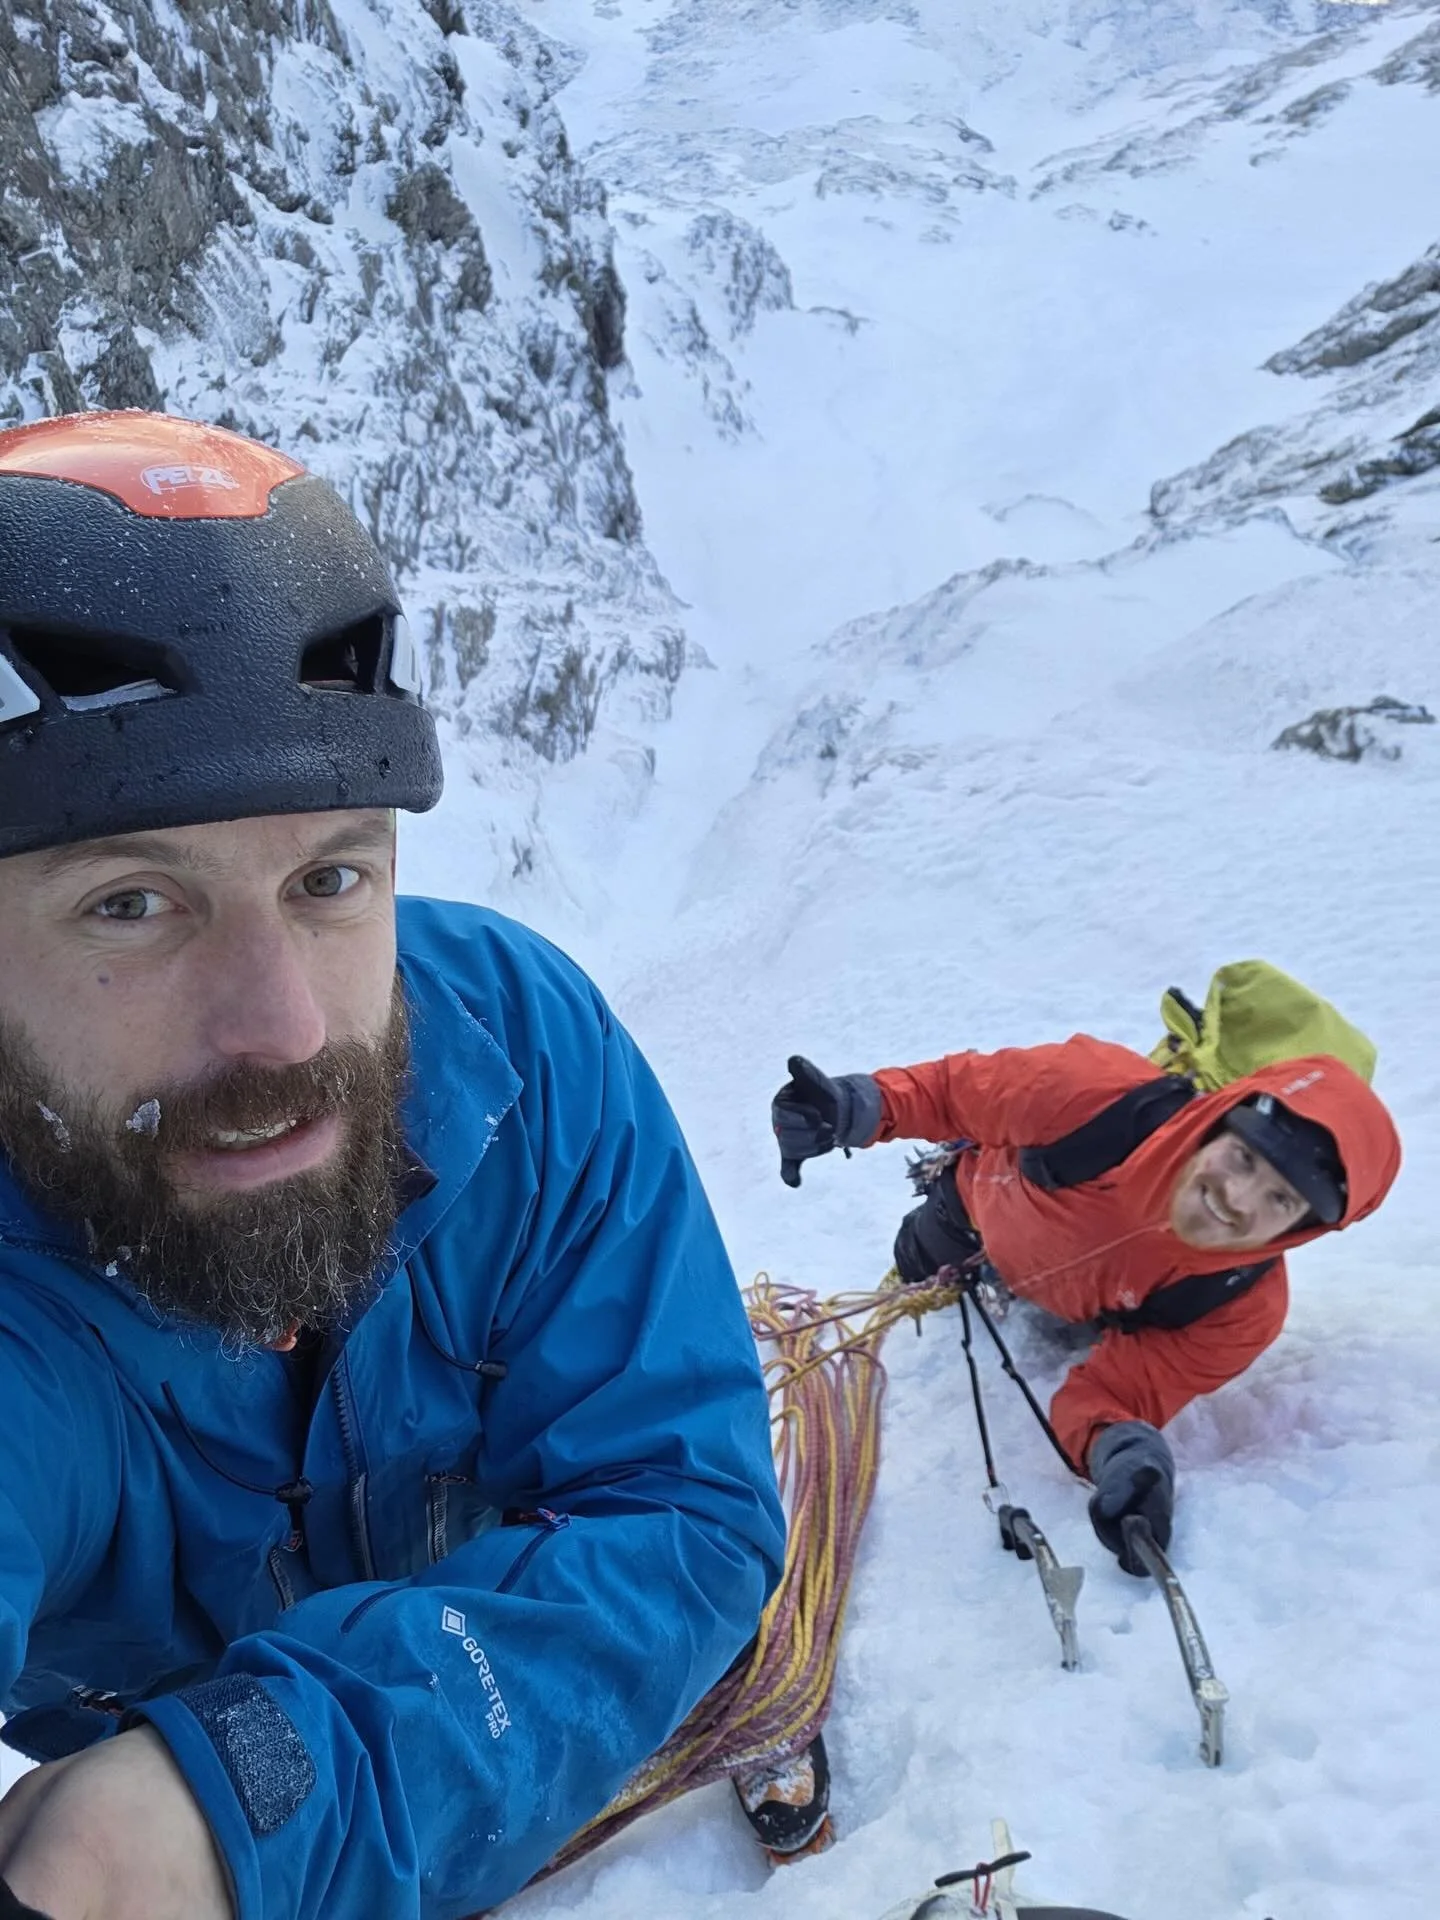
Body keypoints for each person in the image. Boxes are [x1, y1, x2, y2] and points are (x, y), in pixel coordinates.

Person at [0, 410, 785, 1920]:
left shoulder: (519, 1050)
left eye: (330, 877)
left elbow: (687, 1505)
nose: (285, 1031)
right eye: (130, 906)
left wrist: (234, 1799)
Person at [771, 1027, 1400, 1574]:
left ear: (1305, 1229)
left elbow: (1114, 1396)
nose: (1237, 1199)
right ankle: (907, 1289)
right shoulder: (1094, 1093)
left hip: (1082, 1304)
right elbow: (954, 1092)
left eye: (1280, 1200)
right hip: (973, 1212)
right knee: (916, 1263)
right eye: (1241, 1158)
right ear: (1219, 1124)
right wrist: (854, 1106)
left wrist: (1124, 1452)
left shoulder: (1238, 1309)